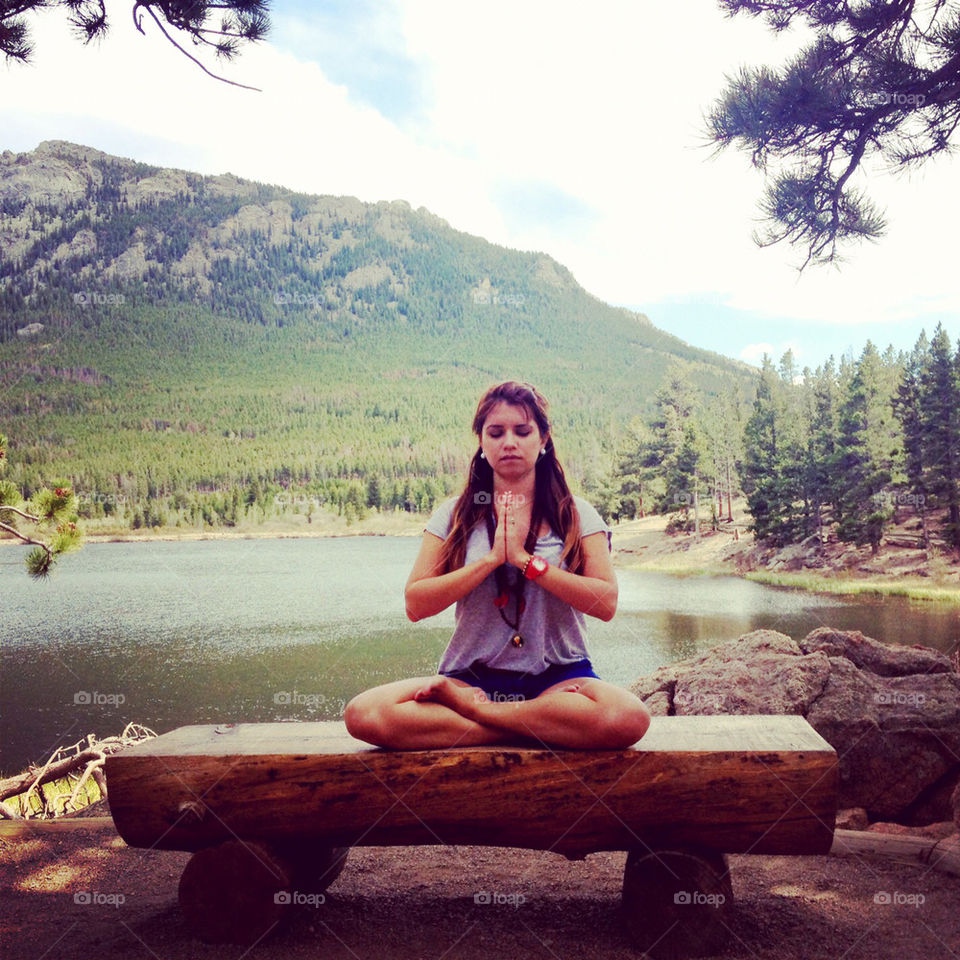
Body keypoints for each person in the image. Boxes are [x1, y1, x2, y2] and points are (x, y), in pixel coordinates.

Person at [344, 380, 651, 750]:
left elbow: (606, 604)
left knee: (628, 717)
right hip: (471, 679)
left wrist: (526, 562)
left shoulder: (577, 514)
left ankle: (482, 718)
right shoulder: (453, 516)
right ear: (482, 442)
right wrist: (490, 561)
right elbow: (415, 604)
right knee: (364, 714)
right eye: (496, 432)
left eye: (522, 431)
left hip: (558, 677)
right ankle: (536, 725)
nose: (509, 442)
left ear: (543, 440)